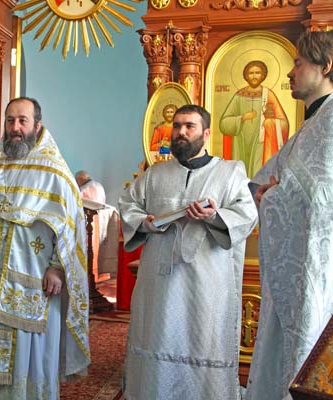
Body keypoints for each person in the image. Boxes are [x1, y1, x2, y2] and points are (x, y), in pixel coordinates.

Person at [0, 97, 90, 399]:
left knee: (27, 352)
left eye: (22, 121)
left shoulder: (54, 170)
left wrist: (57, 267)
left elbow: (69, 224)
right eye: (10, 120)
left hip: (31, 280)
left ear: (37, 125)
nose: (15, 128)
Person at [119, 104, 258, 400]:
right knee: (157, 335)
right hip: (160, 280)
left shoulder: (230, 172)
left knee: (203, 339)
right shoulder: (154, 174)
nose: (180, 132)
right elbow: (128, 204)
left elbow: (247, 214)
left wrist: (214, 216)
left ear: (206, 134)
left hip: (206, 280)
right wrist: (144, 222)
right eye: (177, 126)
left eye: (189, 126)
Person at [245, 30, 333, 400]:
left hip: (318, 269)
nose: (290, 72)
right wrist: (264, 192)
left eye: (298, 63)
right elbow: (265, 181)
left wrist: (272, 196)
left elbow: (327, 199)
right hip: (295, 269)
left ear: (326, 66)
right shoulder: (315, 121)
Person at [220, 60, 290, 177]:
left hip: (260, 143)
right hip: (240, 143)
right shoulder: (239, 96)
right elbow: (224, 123)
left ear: (263, 75)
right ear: (246, 76)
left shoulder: (268, 95)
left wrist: (270, 122)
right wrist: (242, 118)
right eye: (251, 73)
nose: (254, 76)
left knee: (257, 174)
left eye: (257, 73)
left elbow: (284, 123)